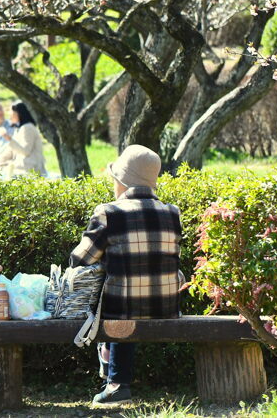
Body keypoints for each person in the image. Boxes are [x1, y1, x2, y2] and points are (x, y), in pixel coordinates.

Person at [68, 145, 184, 406]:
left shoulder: (109, 212)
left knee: (120, 296)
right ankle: (112, 370)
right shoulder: (172, 212)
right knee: (132, 285)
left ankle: (116, 382)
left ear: (120, 181)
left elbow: (80, 259)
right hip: (167, 306)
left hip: (122, 311)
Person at [0, 101, 47, 177]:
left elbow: (25, 151)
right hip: (22, 169)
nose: (9, 114)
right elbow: (9, 151)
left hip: (30, 171)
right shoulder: (20, 129)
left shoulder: (28, 128)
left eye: (11, 111)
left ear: (18, 113)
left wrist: (8, 138)